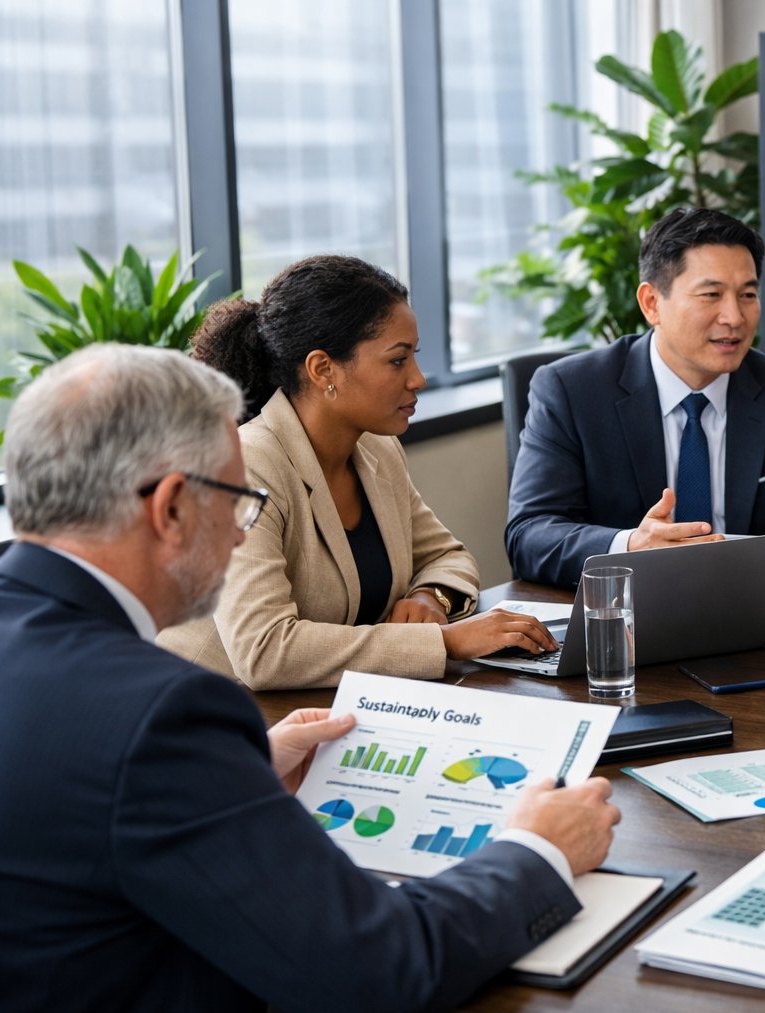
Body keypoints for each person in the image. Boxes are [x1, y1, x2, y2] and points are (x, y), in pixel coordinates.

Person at [0, 345, 621, 1013]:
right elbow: (379, 970)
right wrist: (538, 851)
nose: (241, 541)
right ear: (172, 507)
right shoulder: (162, 716)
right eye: (240, 506)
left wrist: (235, 777)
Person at [159, 254, 557, 689]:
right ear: (322, 369)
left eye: (414, 357)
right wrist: (444, 643)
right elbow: (265, 650)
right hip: (210, 711)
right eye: (397, 360)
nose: (419, 379)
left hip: (325, 705)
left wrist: (431, 596)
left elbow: (447, 556)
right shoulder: (248, 466)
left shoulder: (376, 449)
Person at [505, 207, 765, 589]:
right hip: (630, 620)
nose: (734, 317)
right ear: (652, 303)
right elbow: (530, 534)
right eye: (711, 295)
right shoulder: (572, 390)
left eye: (748, 294)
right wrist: (630, 546)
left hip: (758, 618)